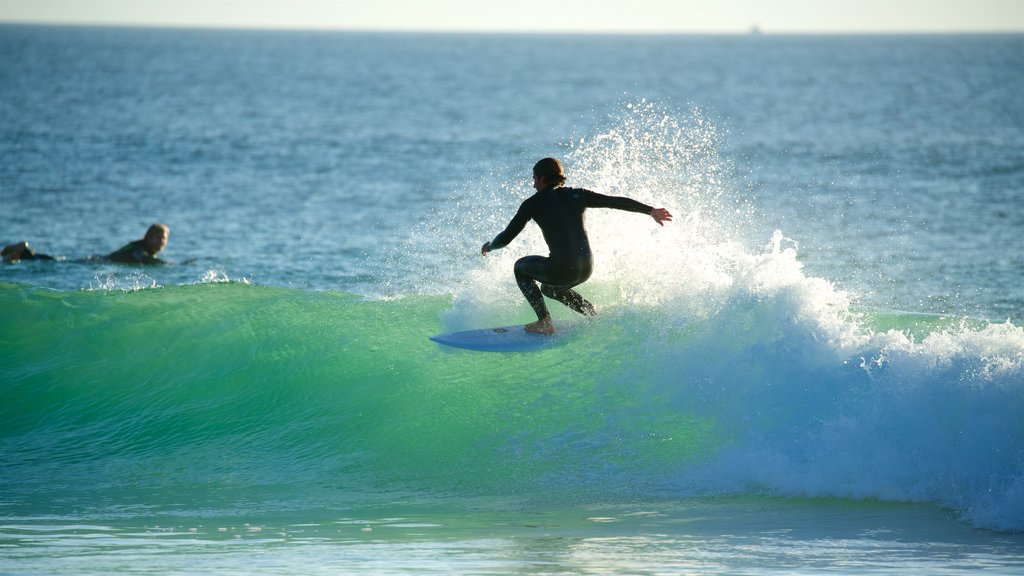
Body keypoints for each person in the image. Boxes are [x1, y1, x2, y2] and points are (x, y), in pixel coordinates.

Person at [481, 158, 673, 335]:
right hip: (586, 268)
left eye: (534, 179)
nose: (533, 184)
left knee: (520, 267)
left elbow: (506, 238)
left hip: (562, 268)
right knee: (550, 290)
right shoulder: (578, 195)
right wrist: (650, 211)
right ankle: (591, 313)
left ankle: (544, 322)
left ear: (542, 178)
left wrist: (490, 247)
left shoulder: (532, 204)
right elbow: (613, 201)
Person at [105, 223, 170, 264]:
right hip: (103, 260)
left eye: (164, 238)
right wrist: (165, 264)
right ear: (149, 238)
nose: (162, 241)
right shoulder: (138, 248)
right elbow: (142, 257)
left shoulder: (150, 252)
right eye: (158, 237)